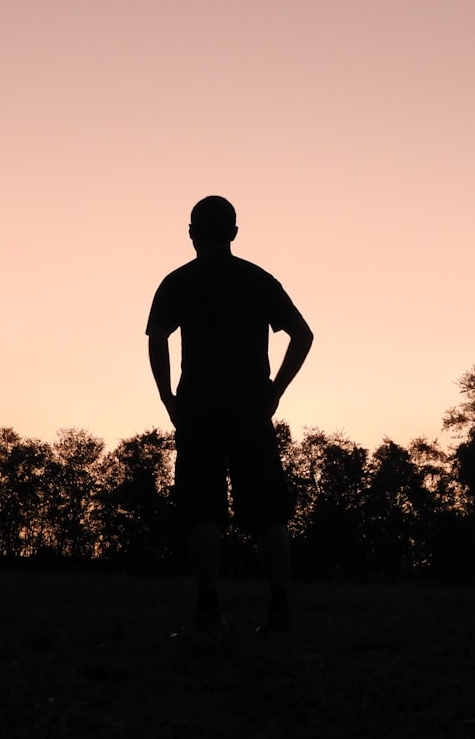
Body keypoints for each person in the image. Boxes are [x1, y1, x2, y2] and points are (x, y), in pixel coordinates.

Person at [146, 195, 313, 636]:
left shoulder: (178, 282)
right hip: (249, 407)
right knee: (269, 511)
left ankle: (208, 612)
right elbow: (303, 334)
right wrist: (275, 392)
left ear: (191, 232)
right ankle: (280, 612)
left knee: (203, 511)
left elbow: (157, 338)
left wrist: (168, 397)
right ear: (234, 232)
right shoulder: (257, 279)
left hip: (198, 407)